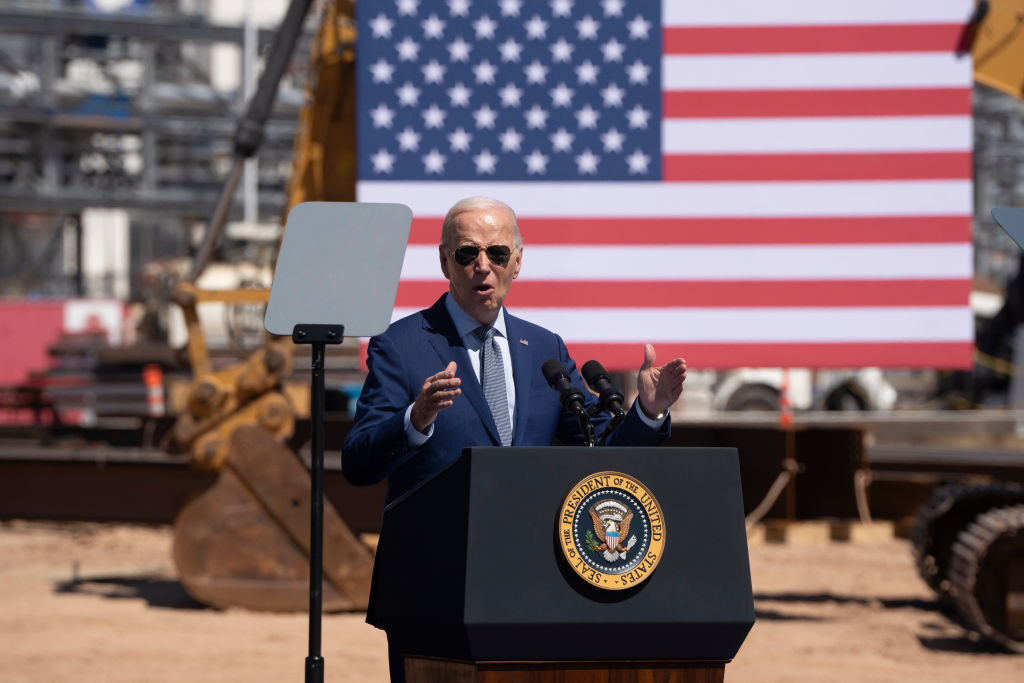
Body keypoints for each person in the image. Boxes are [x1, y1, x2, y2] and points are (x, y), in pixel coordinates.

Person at [341, 196, 686, 681]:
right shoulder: (401, 345)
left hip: (533, 582)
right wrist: (414, 420)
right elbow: (358, 461)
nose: (483, 266)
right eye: (467, 254)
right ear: (445, 262)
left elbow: (599, 446)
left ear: (517, 262)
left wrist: (647, 411)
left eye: (497, 253)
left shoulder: (543, 347)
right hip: (432, 589)